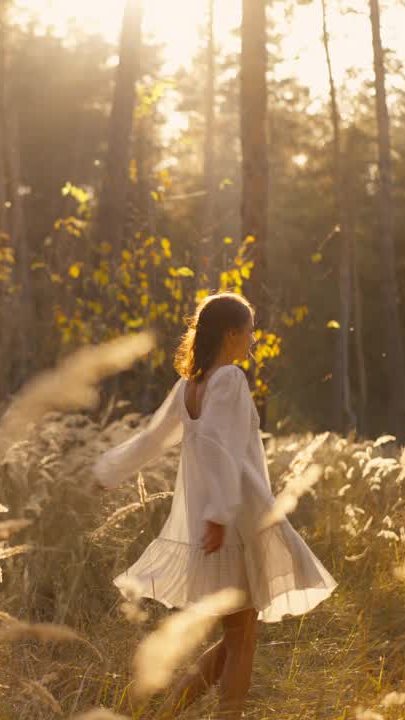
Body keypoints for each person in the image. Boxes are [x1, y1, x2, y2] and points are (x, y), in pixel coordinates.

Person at [92, 291, 337, 717]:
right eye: (249, 331)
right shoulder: (228, 379)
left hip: (218, 517)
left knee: (239, 628)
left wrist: (108, 471)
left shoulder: (190, 386)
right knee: (242, 634)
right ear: (230, 333)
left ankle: (171, 710)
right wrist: (220, 515)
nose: (252, 339)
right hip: (232, 518)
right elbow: (223, 449)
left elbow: (151, 440)